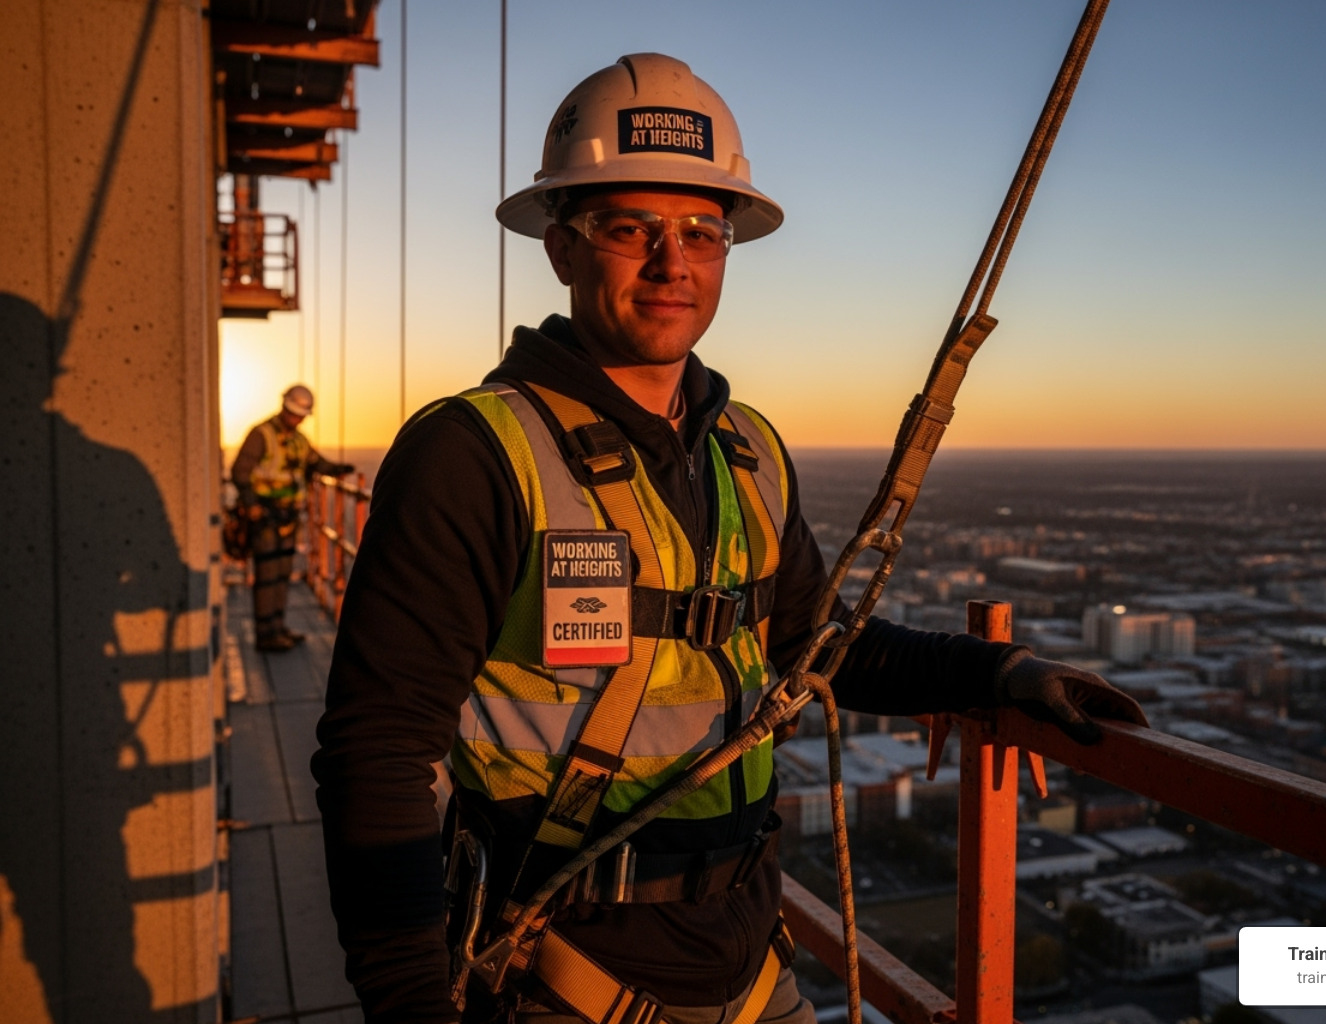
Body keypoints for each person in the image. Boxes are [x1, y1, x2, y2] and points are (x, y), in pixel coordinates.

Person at [312, 54, 1145, 1024]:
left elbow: (816, 645)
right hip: (557, 974)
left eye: (701, 232)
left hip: (751, 968)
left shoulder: (745, 451)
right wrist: (412, 1005)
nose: (674, 262)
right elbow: (376, 753)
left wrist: (994, 672)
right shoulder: (474, 455)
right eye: (632, 228)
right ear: (563, 247)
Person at [230, 384, 353, 651]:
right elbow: (240, 471)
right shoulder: (261, 434)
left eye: (302, 415)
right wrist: (252, 505)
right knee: (267, 575)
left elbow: (315, 462)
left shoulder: (299, 440)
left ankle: (277, 628)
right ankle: (266, 635)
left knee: (282, 573)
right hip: (264, 516)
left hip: (287, 517)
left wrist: (338, 469)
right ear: (285, 408)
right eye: (296, 414)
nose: (298, 419)